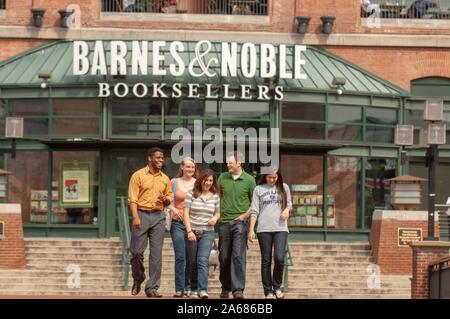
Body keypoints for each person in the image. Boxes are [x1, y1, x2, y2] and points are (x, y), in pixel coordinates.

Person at [128, 147, 173, 298]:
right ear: (150, 158)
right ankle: (138, 278)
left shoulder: (165, 178)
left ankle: (152, 287)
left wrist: (167, 200)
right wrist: (135, 217)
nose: (161, 160)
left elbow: (169, 197)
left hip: (158, 216)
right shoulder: (138, 175)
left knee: (156, 254)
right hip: (141, 214)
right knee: (136, 253)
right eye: (158, 158)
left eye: (162, 158)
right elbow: (132, 199)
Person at [248, 169, 292, 299]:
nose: (272, 180)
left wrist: (287, 210)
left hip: (281, 228)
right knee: (266, 260)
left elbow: (289, 204)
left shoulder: (284, 187)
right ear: (265, 177)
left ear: (278, 176)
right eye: (269, 177)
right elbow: (254, 210)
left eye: (274, 177)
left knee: (279, 258)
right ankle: (268, 291)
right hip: (263, 229)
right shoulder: (258, 189)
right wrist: (251, 230)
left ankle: (277, 287)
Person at [218, 151, 256, 299]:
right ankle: (225, 287)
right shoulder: (222, 177)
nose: (228, 165)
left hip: (241, 223)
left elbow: (255, 202)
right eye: (227, 162)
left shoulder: (249, 180)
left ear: (239, 163)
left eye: (230, 162)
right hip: (224, 223)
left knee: (238, 256)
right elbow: (216, 196)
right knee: (224, 257)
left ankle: (238, 289)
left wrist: (245, 216)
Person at [183, 169, 221, 299]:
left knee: (203, 260)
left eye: (211, 180)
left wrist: (215, 219)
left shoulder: (215, 196)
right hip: (192, 231)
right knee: (193, 261)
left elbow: (217, 213)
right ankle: (193, 289)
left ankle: (203, 290)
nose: (208, 182)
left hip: (208, 232)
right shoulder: (191, 194)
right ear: (201, 180)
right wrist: (188, 231)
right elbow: (186, 213)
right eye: (206, 180)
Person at [168, 157, 199, 298]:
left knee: (191, 257)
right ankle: (179, 288)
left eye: (192, 167)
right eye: (187, 167)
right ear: (182, 167)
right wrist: (173, 209)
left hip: (193, 224)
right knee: (180, 256)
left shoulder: (198, 183)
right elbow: (165, 200)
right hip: (177, 224)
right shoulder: (174, 182)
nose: (190, 170)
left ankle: (189, 286)